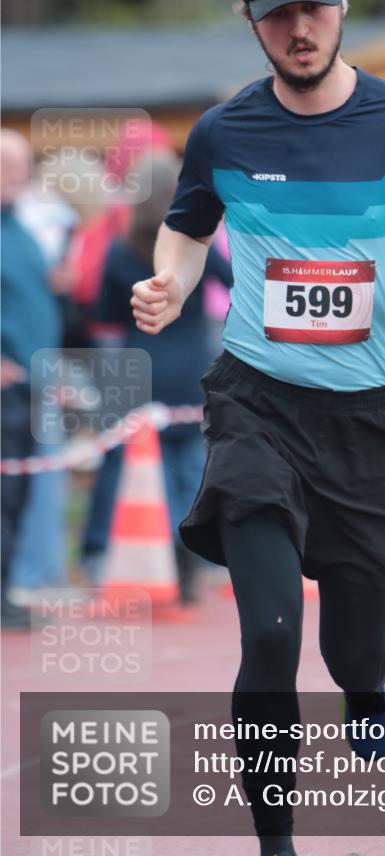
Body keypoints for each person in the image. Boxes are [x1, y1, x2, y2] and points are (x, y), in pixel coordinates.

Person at [131, 0, 385, 856]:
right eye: (278, 15)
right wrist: (169, 282)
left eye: (314, 8)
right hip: (258, 405)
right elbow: (184, 226)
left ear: (340, 2)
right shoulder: (224, 131)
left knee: (348, 653)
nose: (299, 28)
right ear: (251, 25)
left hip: (369, 420)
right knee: (267, 633)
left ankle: (374, 678)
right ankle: (275, 844)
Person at [81, 153, 233, 603]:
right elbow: (230, 278)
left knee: (148, 472)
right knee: (191, 466)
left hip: (138, 368)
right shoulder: (192, 245)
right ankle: (189, 554)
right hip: (190, 367)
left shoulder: (120, 249)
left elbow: (105, 315)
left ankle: (154, 551)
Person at [0, 129, 63, 628]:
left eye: (22, 166)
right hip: (7, 385)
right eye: (8, 167)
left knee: (18, 492)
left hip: (29, 380)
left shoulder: (19, 226)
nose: (19, 176)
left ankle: (7, 589)